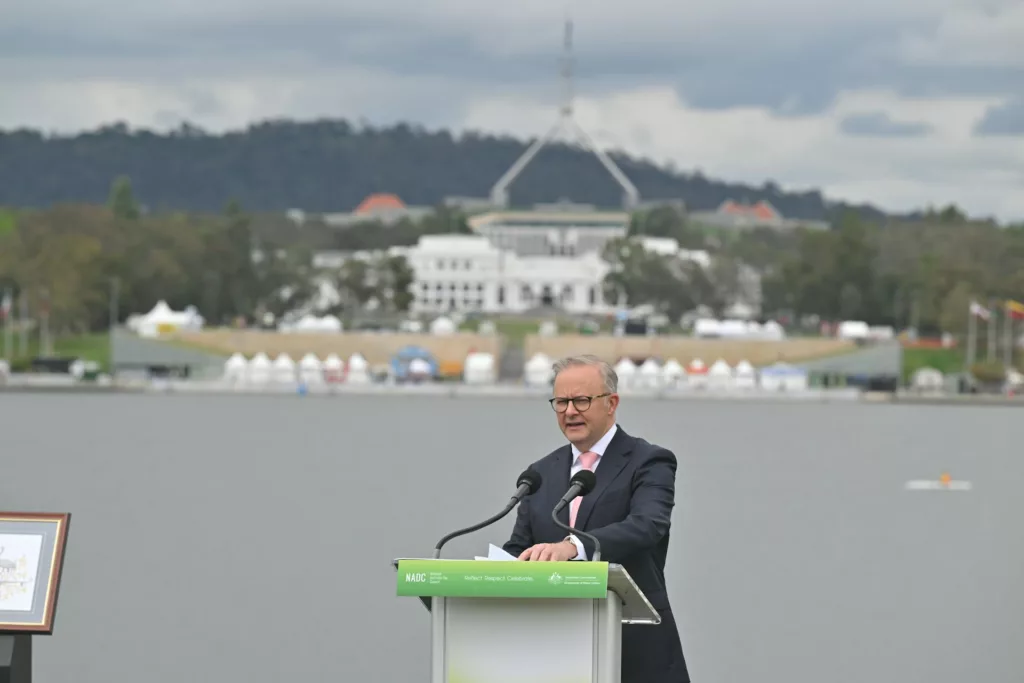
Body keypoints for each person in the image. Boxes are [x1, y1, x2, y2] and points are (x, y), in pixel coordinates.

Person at [503, 353, 690, 683]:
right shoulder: (539, 474)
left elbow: (647, 526)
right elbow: (519, 548)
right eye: (561, 402)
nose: (570, 411)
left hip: (634, 651)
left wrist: (573, 547)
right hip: (554, 653)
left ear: (611, 403)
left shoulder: (650, 461)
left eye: (581, 400)